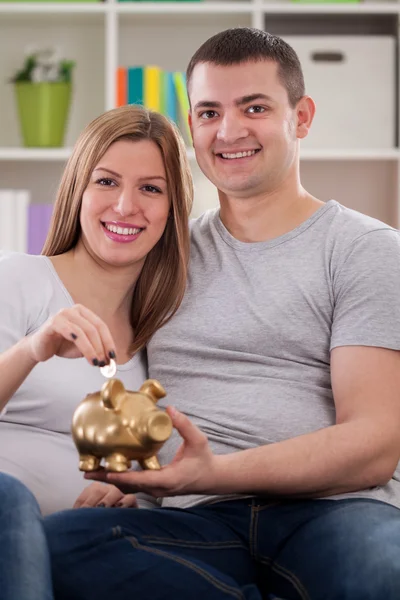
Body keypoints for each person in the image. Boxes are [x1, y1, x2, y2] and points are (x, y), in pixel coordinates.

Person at [44, 28, 400, 600]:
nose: (229, 130)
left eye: (254, 107)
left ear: (301, 116)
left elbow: (374, 445)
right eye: (209, 111)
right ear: (192, 127)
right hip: (193, 519)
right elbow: (121, 368)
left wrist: (213, 472)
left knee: (383, 571)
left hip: (333, 513)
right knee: (62, 543)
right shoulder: (164, 250)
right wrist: (125, 469)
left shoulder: (366, 249)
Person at [0, 103, 193, 518]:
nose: (125, 206)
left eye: (151, 188)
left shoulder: (164, 332)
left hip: (96, 541)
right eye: (106, 181)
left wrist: (130, 496)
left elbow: (158, 471)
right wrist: (34, 349)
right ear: (78, 190)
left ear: (173, 209)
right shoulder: (19, 279)